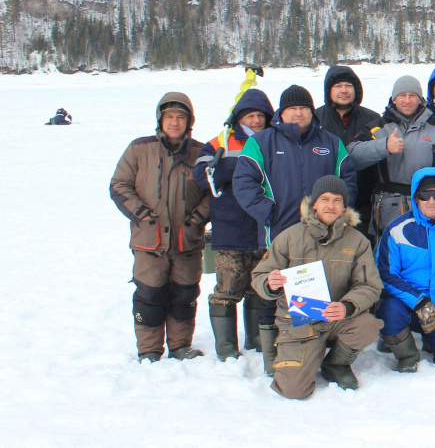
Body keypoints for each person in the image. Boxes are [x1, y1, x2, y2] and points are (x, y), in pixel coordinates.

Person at [233, 85, 357, 374]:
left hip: (323, 235)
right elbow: (244, 182)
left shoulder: (330, 142)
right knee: (274, 295)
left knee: (316, 294)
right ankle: (271, 356)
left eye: (303, 108)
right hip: (280, 234)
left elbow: (347, 179)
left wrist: (335, 214)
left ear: (311, 112)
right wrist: (269, 212)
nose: (298, 113)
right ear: (281, 112)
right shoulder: (262, 142)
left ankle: (308, 353)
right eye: (292, 108)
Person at [251, 176, 384, 398]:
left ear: (344, 206)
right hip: (299, 323)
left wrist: (347, 306)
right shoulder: (289, 237)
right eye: (324, 199)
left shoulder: (358, 241)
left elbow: (370, 285)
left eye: (337, 200)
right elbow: (259, 275)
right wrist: (269, 283)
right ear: (314, 204)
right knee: (294, 391)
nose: (330, 205)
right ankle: (303, 356)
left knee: (368, 325)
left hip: (337, 319)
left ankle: (336, 363)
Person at [110, 92, 210, 362]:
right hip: (149, 241)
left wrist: (196, 219)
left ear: (189, 121)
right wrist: (141, 214)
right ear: (160, 120)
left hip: (186, 240)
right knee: (149, 295)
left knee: (185, 294)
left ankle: (180, 346)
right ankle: (150, 350)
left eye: (181, 117)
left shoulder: (202, 153)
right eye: (170, 117)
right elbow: (119, 185)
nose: (175, 122)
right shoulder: (139, 149)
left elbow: (213, 192)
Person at [192, 88, 272, 361]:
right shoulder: (220, 142)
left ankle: (256, 337)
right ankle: (226, 346)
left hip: (263, 227)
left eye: (261, 115)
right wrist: (230, 168)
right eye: (250, 115)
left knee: (258, 286)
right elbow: (202, 174)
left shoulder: (272, 140)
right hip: (231, 227)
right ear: (240, 118)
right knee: (228, 287)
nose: (256, 121)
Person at [375, 168, 435, 371]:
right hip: (411, 310)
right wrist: (420, 302)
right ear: (415, 198)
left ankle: (434, 340)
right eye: (424, 195)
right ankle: (406, 353)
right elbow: (385, 275)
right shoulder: (397, 230)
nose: (431, 200)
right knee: (389, 311)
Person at [347, 75, 435, 239]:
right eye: (402, 95)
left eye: (412, 95)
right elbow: (353, 156)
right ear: (394, 99)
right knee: (391, 252)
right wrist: (384, 146)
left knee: (428, 247)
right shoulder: (377, 128)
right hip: (389, 206)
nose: (407, 100)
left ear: (420, 99)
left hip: (428, 202)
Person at [314, 66, 382, 229]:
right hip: (325, 206)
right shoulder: (316, 119)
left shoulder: (372, 119)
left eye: (348, 86)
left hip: (364, 205)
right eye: (338, 86)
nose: (344, 90)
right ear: (329, 91)